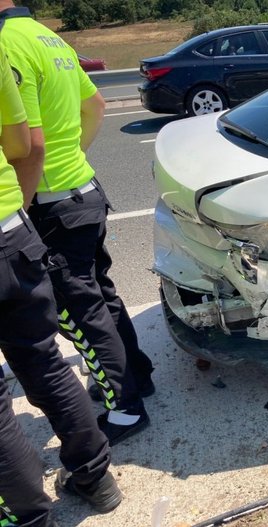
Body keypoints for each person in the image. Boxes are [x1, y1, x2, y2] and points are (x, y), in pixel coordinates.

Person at [0, 2, 154, 446]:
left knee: (77, 313)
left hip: (51, 204)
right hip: (82, 191)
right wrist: (76, 159)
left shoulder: (7, 43)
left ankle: (124, 408)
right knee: (98, 295)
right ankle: (136, 376)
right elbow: (97, 104)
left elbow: (30, 145)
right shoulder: (47, 35)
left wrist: (23, 207)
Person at [0, 43, 122, 526]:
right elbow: (27, 145)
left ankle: (28, 517)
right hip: (12, 227)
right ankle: (95, 476)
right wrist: (21, 212)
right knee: (44, 360)